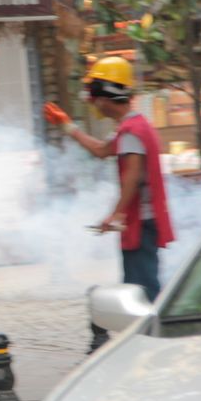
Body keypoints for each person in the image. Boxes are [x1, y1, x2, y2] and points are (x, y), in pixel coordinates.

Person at [43, 56, 175, 301]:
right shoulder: (134, 126)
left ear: (105, 98)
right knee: (140, 284)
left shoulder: (131, 132)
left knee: (142, 288)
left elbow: (132, 179)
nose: (94, 104)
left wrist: (115, 214)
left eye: (95, 98)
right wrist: (67, 126)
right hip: (143, 220)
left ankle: (151, 333)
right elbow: (101, 150)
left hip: (141, 222)